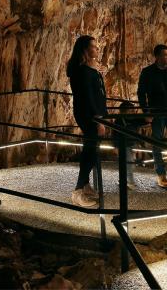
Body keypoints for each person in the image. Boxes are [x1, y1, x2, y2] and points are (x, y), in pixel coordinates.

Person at [137, 44, 167, 188]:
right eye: (166, 55)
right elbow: (141, 93)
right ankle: (161, 173)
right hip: (156, 114)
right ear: (157, 57)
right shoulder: (147, 72)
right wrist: (146, 112)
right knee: (157, 143)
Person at [66, 35, 107, 208]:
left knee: (92, 149)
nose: (97, 49)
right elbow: (88, 96)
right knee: (90, 151)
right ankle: (77, 191)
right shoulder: (83, 70)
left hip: (91, 114)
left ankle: (85, 185)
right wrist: (98, 118)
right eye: (94, 46)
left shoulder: (86, 69)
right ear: (84, 49)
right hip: (89, 115)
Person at [115, 101, 145, 190]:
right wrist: (116, 146)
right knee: (129, 163)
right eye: (130, 111)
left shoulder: (134, 119)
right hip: (124, 145)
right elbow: (115, 134)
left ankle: (122, 180)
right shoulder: (119, 120)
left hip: (132, 144)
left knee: (127, 163)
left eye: (133, 111)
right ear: (124, 112)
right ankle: (131, 182)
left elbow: (143, 121)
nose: (132, 113)